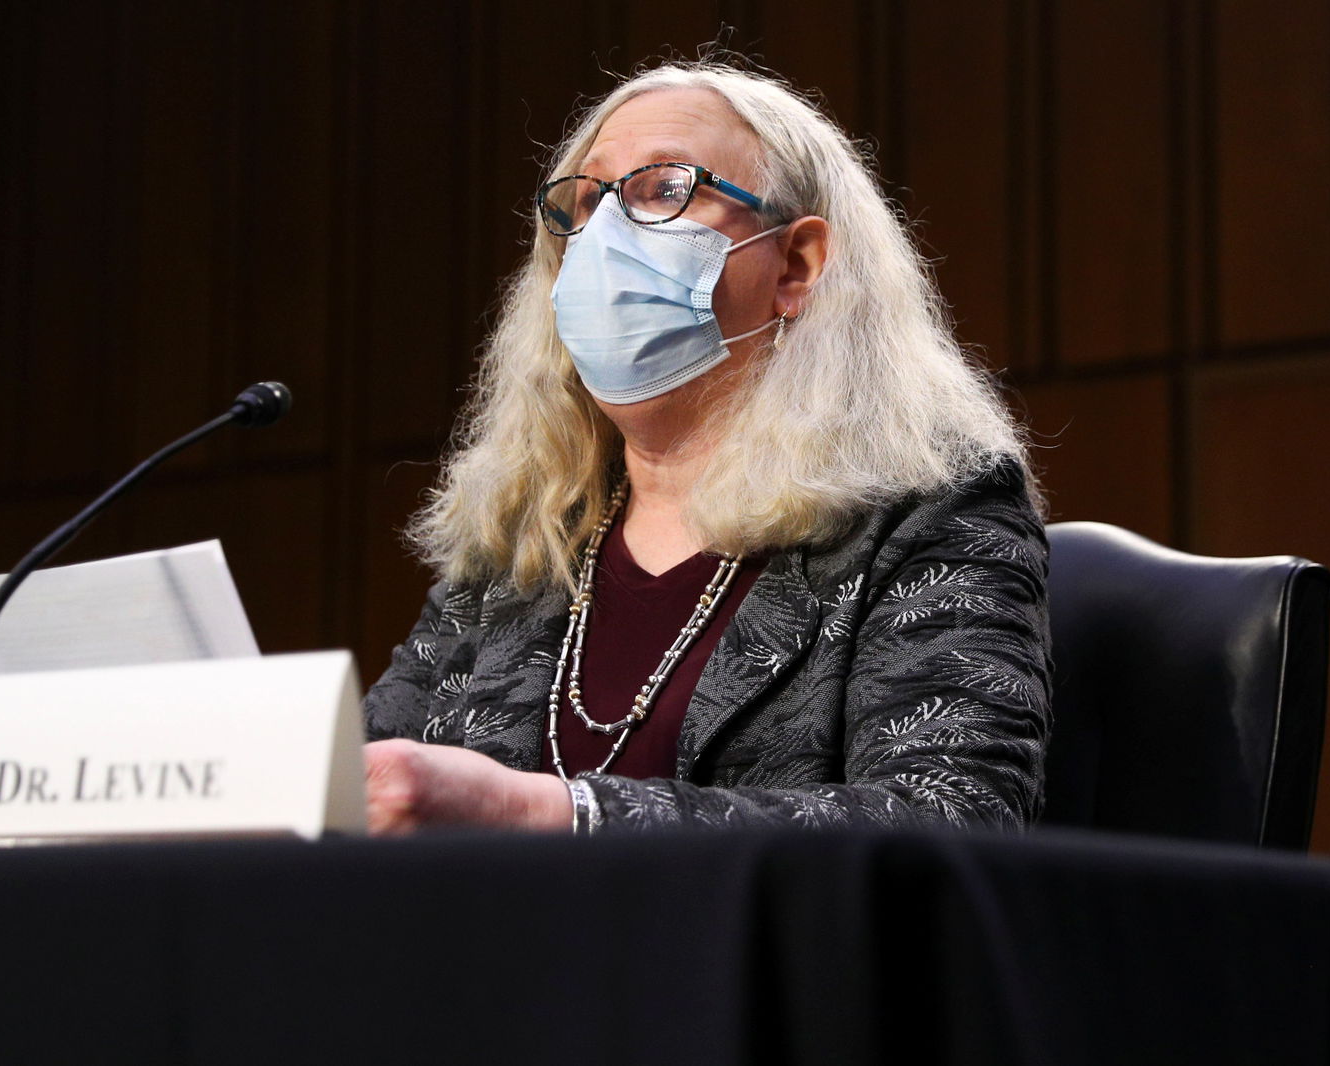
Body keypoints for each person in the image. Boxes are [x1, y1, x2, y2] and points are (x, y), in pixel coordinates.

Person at [362, 61, 1051, 835]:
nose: (603, 237)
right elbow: (370, 779)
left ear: (795, 266)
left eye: (664, 190)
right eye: (586, 203)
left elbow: (948, 819)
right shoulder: (526, 538)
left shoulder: (932, 511)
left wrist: (551, 814)